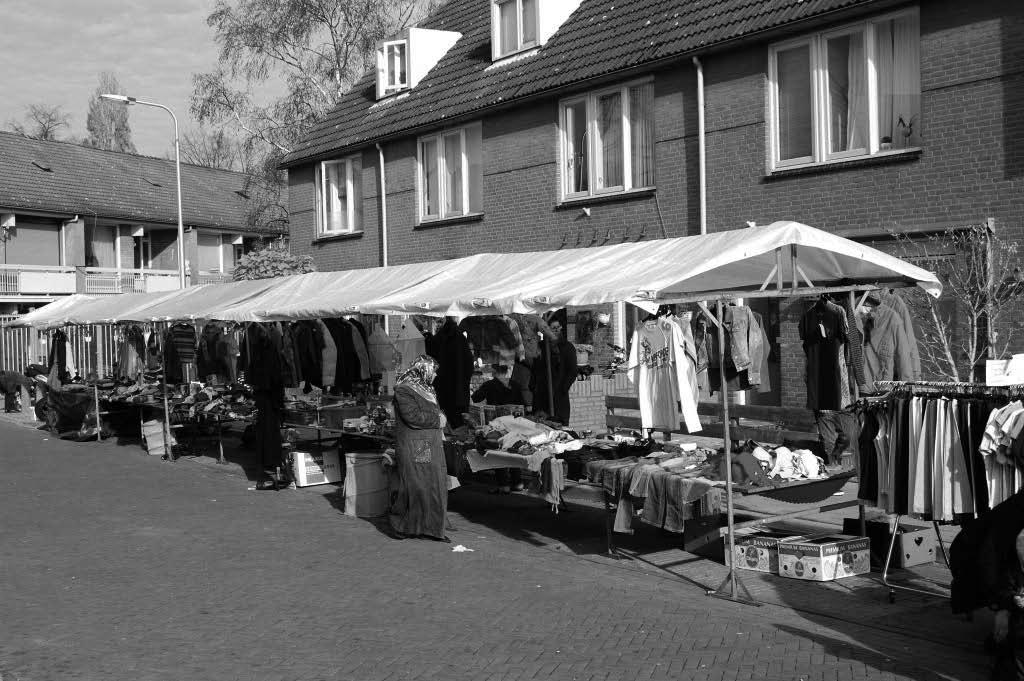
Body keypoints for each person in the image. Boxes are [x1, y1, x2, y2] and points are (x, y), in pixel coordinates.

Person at [383, 355, 451, 541]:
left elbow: (432, 412)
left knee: (433, 485)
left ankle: (432, 528)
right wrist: (437, 420)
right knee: (415, 486)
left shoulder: (426, 388)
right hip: (415, 445)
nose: (436, 375)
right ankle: (402, 526)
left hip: (430, 443)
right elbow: (412, 417)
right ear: (423, 369)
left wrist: (440, 417)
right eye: (434, 370)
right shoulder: (404, 390)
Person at [472, 364, 526, 493]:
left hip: (497, 425)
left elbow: (475, 398)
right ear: (507, 371)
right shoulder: (515, 385)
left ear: (495, 372)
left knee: (499, 451)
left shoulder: (490, 385)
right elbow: (522, 404)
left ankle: (504, 485)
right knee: (513, 450)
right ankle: (517, 482)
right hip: (514, 424)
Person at [531, 317, 578, 425]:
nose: (556, 330)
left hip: (558, 395)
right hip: (542, 395)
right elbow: (535, 368)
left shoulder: (567, 347)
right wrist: (534, 386)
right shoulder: (541, 346)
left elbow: (572, 371)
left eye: (558, 327)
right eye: (553, 328)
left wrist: (563, 388)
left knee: (559, 424)